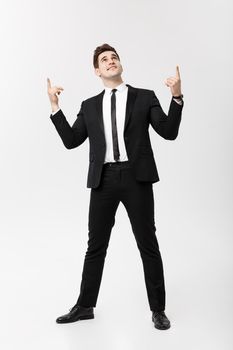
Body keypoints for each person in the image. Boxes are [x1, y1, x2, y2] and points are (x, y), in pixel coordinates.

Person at [47, 43, 184, 330]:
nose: (111, 61)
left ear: (120, 64)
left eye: (114, 57)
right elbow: (72, 141)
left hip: (137, 178)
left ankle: (158, 310)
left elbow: (168, 132)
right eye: (104, 59)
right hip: (103, 180)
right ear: (97, 70)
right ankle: (85, 306)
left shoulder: (144, 97)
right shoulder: (88, 105)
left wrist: (177, 97)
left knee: (148, 244)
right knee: (95, 246)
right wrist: (55, 108)